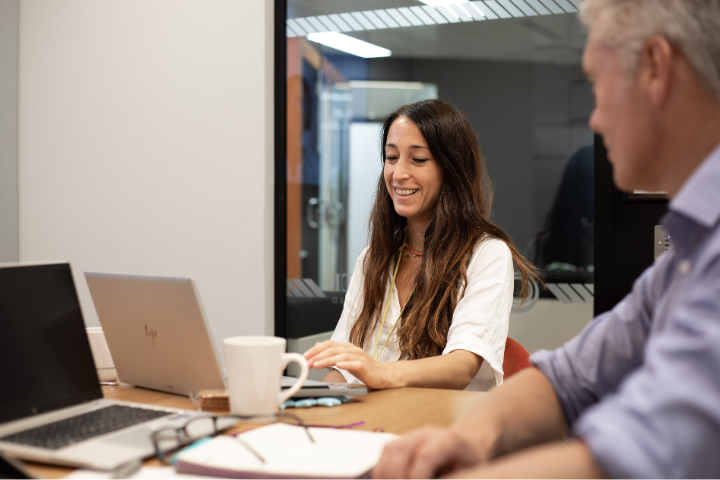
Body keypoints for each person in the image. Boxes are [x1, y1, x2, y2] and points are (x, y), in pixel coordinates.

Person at [372, 0, 720, 477]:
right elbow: (568, 378)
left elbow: (643, 449)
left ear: (656, 69)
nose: (594, 121)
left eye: (599, 84)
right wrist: (469, 439)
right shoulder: (689, 255)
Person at [303, 100, 539, 391]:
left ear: (452, 169)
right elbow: (344, 370)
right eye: (391, 157)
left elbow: (463, 365)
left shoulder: (487, 253)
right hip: (376, 423)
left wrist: (380, 372)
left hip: (443, 428)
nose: (399, 173)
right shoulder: (373, 259)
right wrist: (308, 400)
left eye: (418, 159)